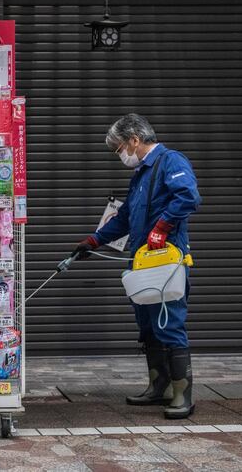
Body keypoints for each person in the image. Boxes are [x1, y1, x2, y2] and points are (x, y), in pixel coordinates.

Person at [74, 113, 201, 419]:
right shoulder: (141, 175)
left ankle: (182, 395)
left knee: (168, 322)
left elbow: (189, 196)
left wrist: (163, 226)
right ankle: (157, 387)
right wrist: (94, 240)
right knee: (147, 324)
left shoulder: (171, 162)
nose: (121, 155)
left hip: (166, 257)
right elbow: (125, 218)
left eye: (119, 148)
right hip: (142, 258)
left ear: (134, 139)